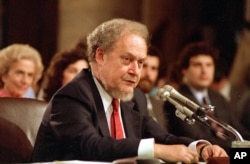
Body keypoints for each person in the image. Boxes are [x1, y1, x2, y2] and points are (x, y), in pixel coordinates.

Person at [31, 18, 227, 163]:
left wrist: (200, 148)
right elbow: (91, 146)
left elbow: (163, 138)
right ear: (100, 56)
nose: (136, 71)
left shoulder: (132, 98)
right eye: (127, 59)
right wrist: (156, 150)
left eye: (140, 62)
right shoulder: (72, 96)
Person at [164, 41, 233, 154]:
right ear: (184, 70)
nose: (204, 71)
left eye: (209, 65)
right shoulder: (177, 99)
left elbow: (238, 130)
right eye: (197, 65)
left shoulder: (219, 98)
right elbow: (198, 138)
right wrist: (237, 149)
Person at [137, 46, 168, 130]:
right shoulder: (124, 102)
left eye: (153, 68)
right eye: (144, 66)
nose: (148, 73)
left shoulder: (159, 104)